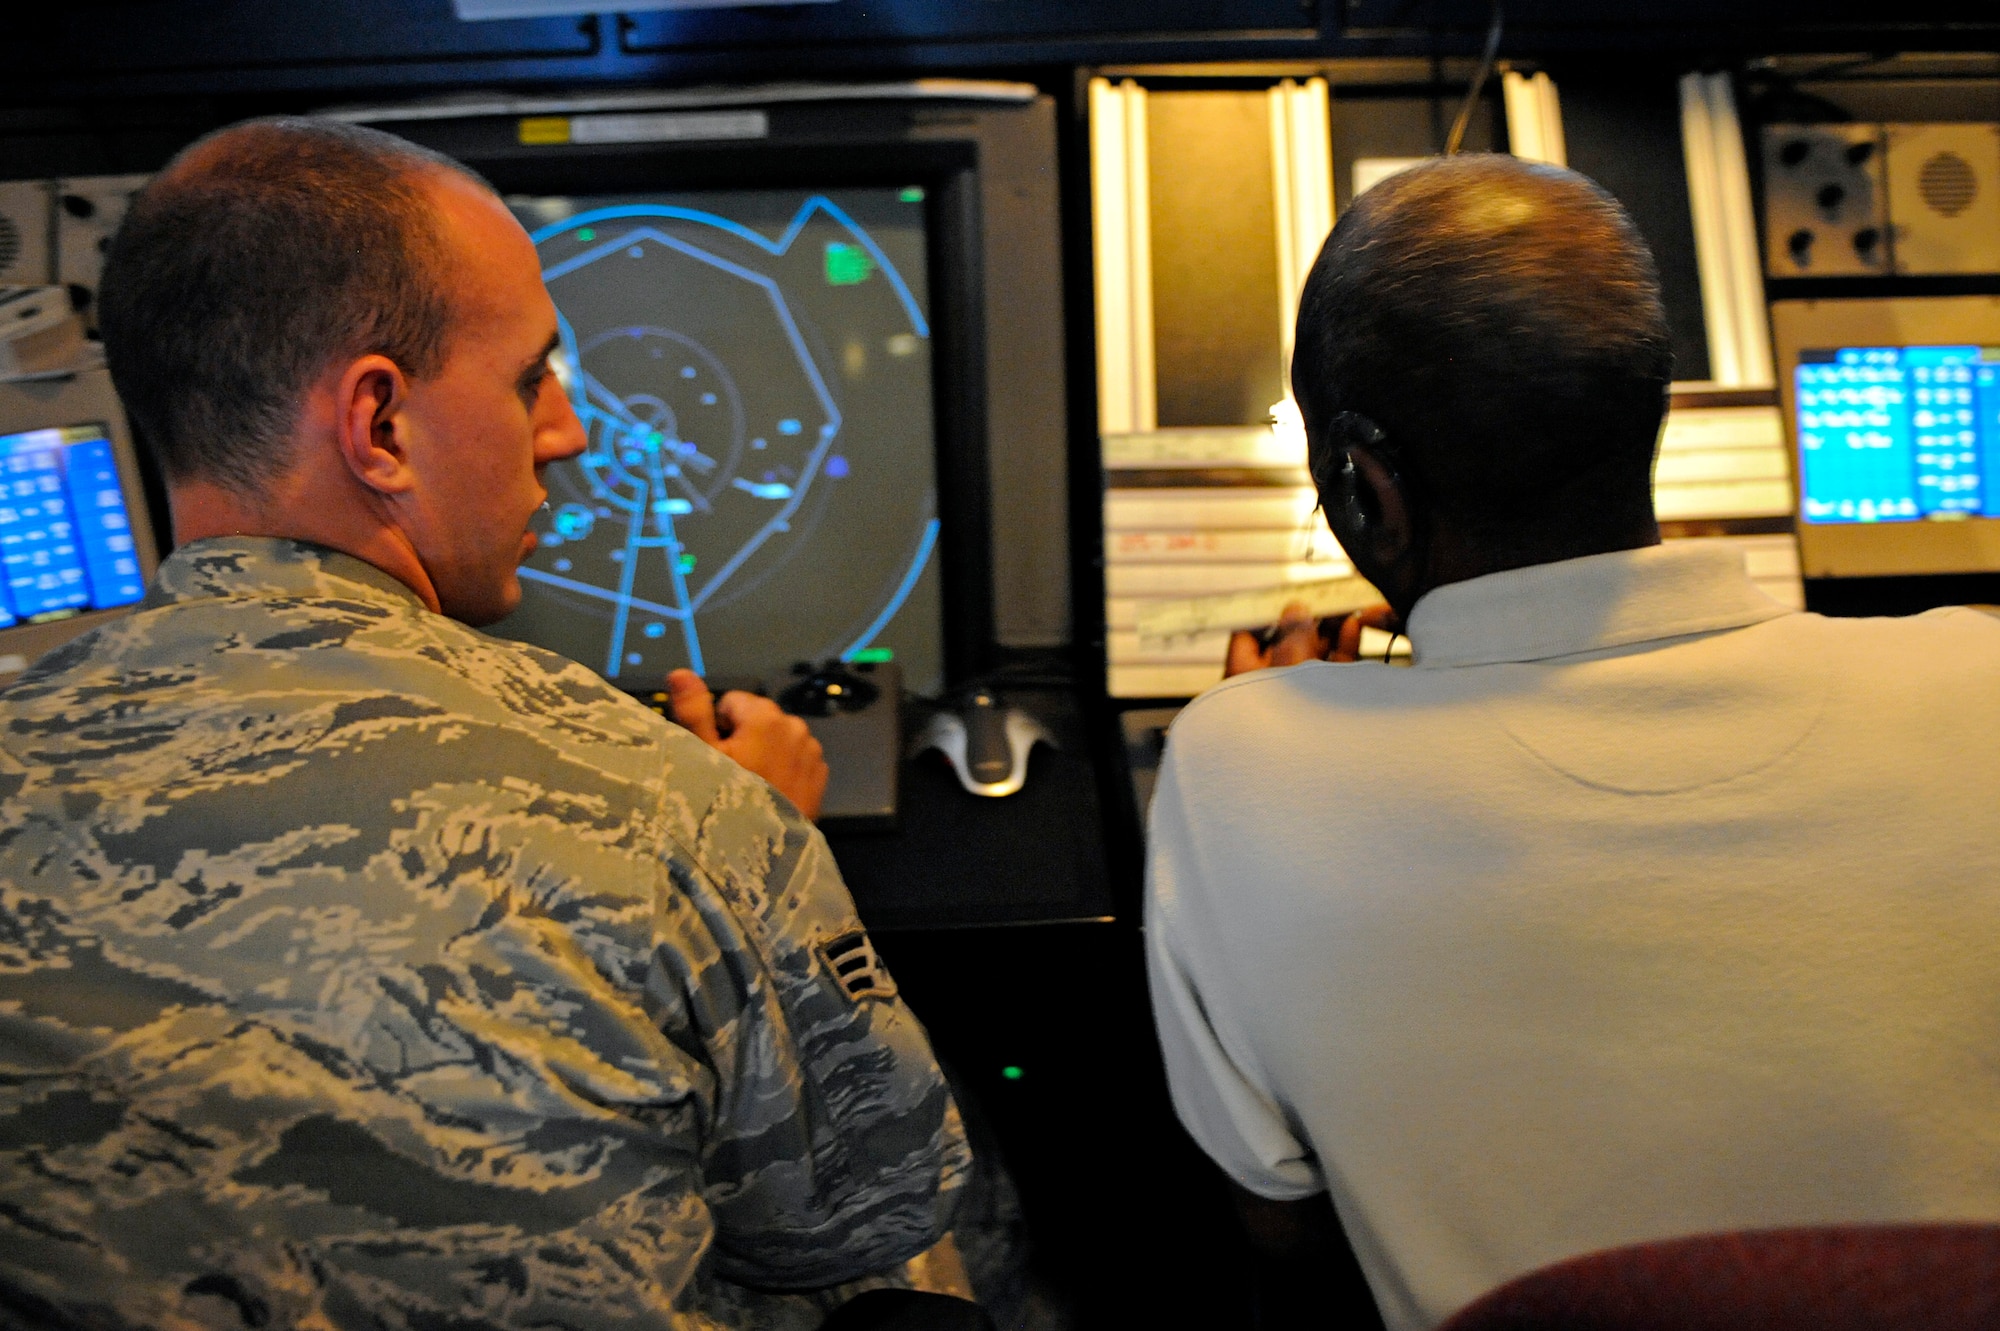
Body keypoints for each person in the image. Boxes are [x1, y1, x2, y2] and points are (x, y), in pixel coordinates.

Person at [0, 118, 973, 1330]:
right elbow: (870, 1207)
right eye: (531, 378)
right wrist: (756, 841)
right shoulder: (670, 799)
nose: (565, 431)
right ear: (380, 426)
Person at [1145, 153, 2000, 1331]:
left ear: (1362, 489)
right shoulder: (1977, 678)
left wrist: (1286, 726)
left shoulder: (1233, 766)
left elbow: (1278, 1217)